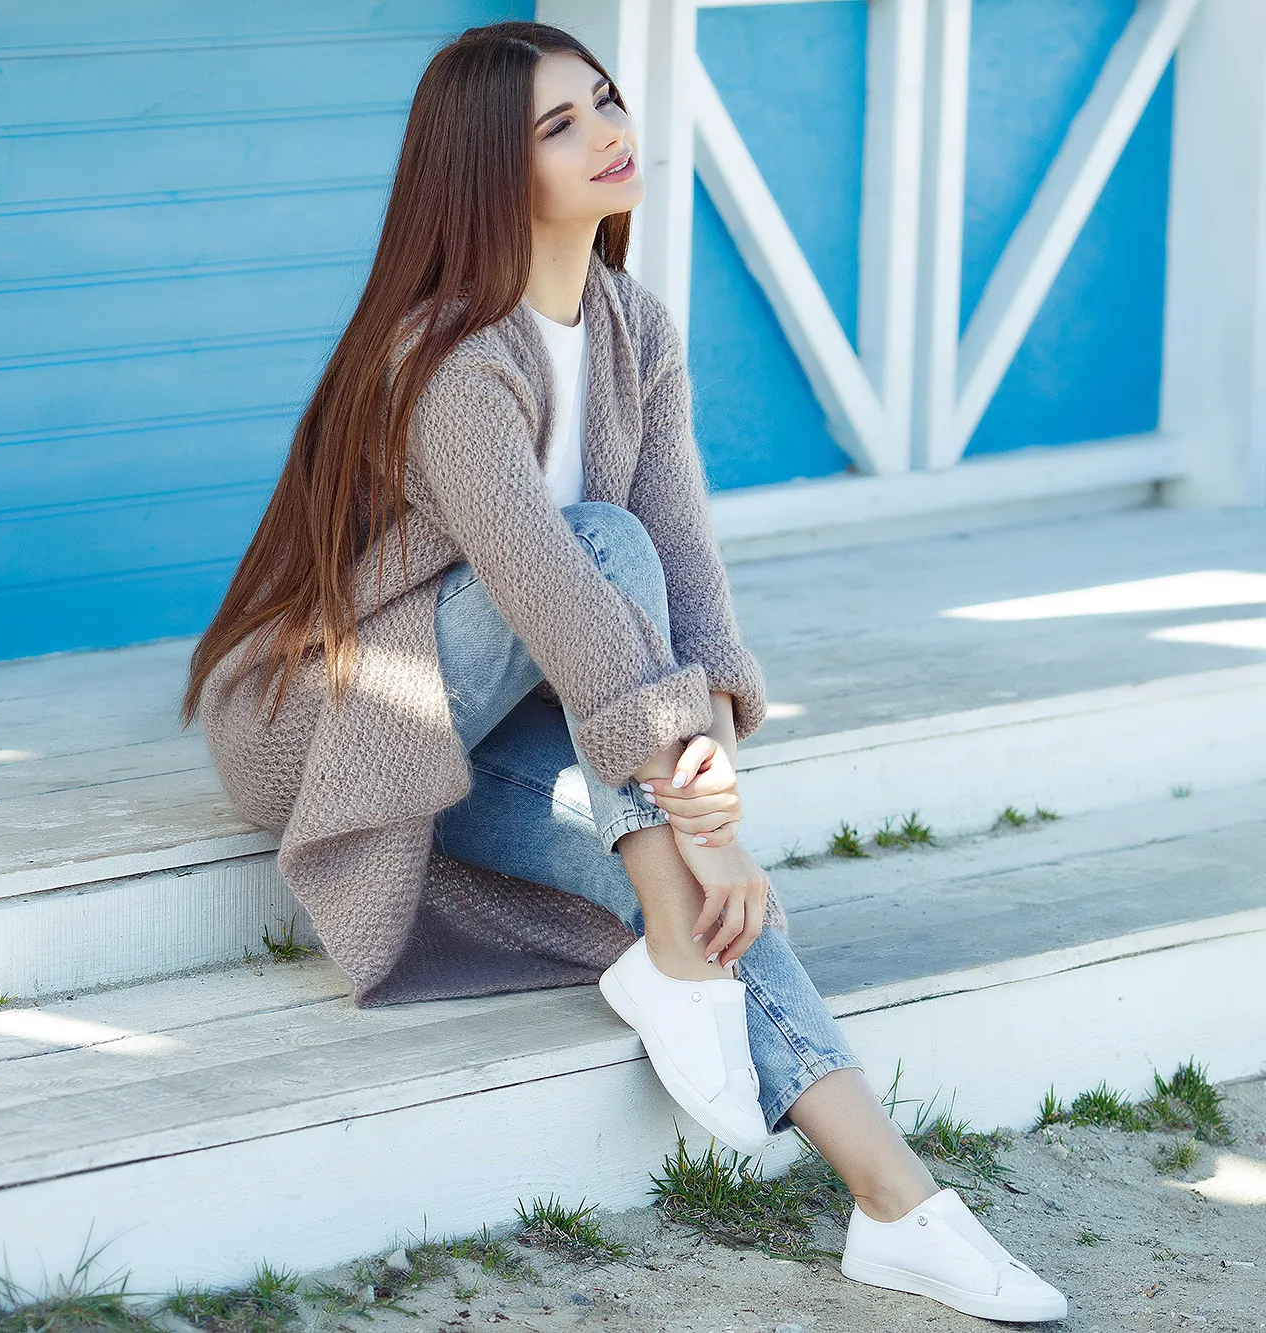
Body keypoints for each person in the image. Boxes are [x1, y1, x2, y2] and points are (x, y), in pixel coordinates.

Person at [180, 20, 1067, 1325]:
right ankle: (682, 957)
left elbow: (692, 583)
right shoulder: (444, 358)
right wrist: (699, 829)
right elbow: (551, 579)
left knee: (712, 893)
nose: (610, 133)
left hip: (511, 736)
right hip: (342, 725)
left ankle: (899, 1206)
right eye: (561, 125)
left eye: (604, 102)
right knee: (603, 547)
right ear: (490, 171)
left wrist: (710, 772)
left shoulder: (633, 328)